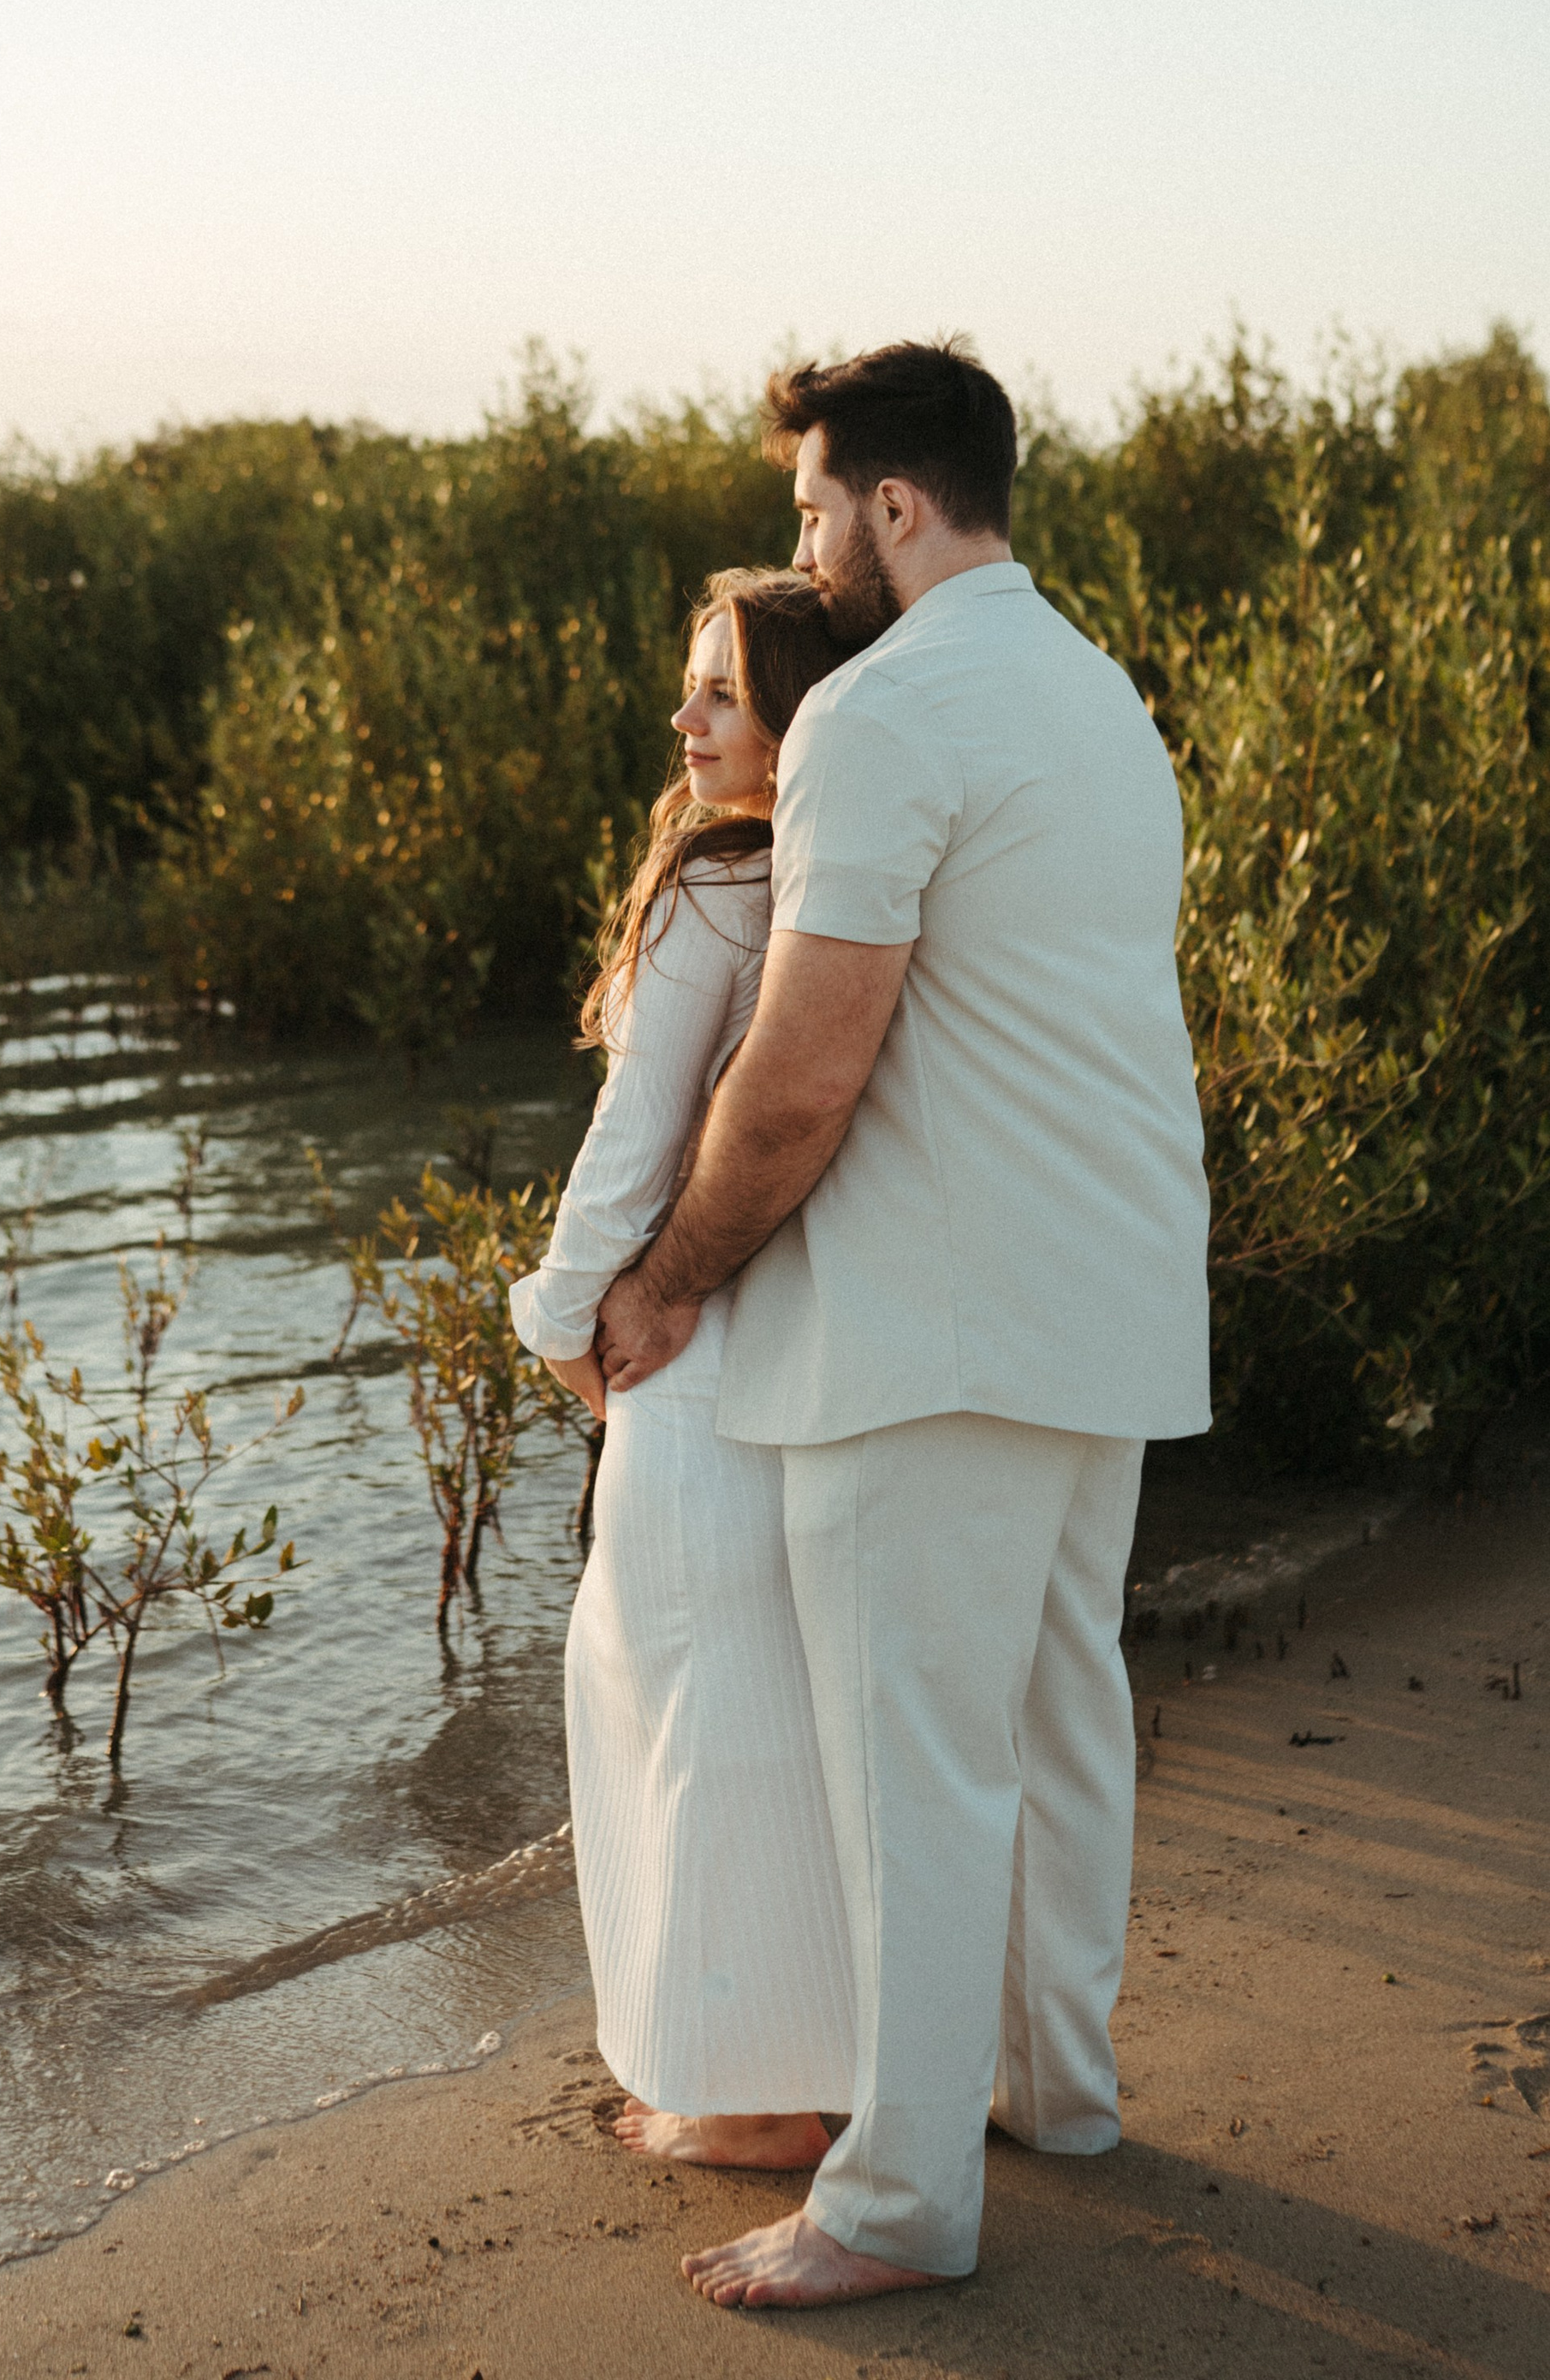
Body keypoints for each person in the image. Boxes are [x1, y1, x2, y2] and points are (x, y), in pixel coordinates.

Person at [596, 338, 1211, 2311]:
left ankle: (892, 2201)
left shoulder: (881, 711)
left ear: (886, 505)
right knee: (1053, 1720)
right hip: (1106, 1288)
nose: (800, 546)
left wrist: (663, 1276)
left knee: (915, 1762)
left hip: (932, 1324)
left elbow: (799, 1072)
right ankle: (1059, 2088)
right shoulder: (1098, 699)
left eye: (806, 510)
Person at [509, 570, 862, 2168]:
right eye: (691, 685)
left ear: (797, 718)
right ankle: (813, 2064)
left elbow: (636, 1130)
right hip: (799, 1340)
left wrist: (556, 1310)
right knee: (769, 1701)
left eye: (722, 691)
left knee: (675, 1693)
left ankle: (744, 2096)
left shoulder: (715, 888)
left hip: (687, 1347)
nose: (687, 718)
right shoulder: (837, 880)